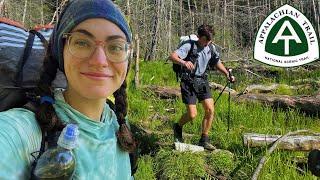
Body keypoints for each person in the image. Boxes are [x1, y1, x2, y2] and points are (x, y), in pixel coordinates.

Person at [0, 0, 136, 179]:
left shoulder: (119, 123)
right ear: (60, 52)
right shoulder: (21, 132)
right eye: (82, 43)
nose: (99, 61)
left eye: (116, 47)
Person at [169, 24, 235, 151]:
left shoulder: (210, 47)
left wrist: (227, 74)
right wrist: (184, 62)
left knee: (210, 110)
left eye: (210, 40)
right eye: (206, 39)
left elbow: (216, 62)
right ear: (200, 37)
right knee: (192, 115)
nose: (209, 42)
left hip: (202, 82)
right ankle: (178, 126)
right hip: (188, 82)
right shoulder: (189, 45)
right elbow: (172, 56)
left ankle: (204, 139)